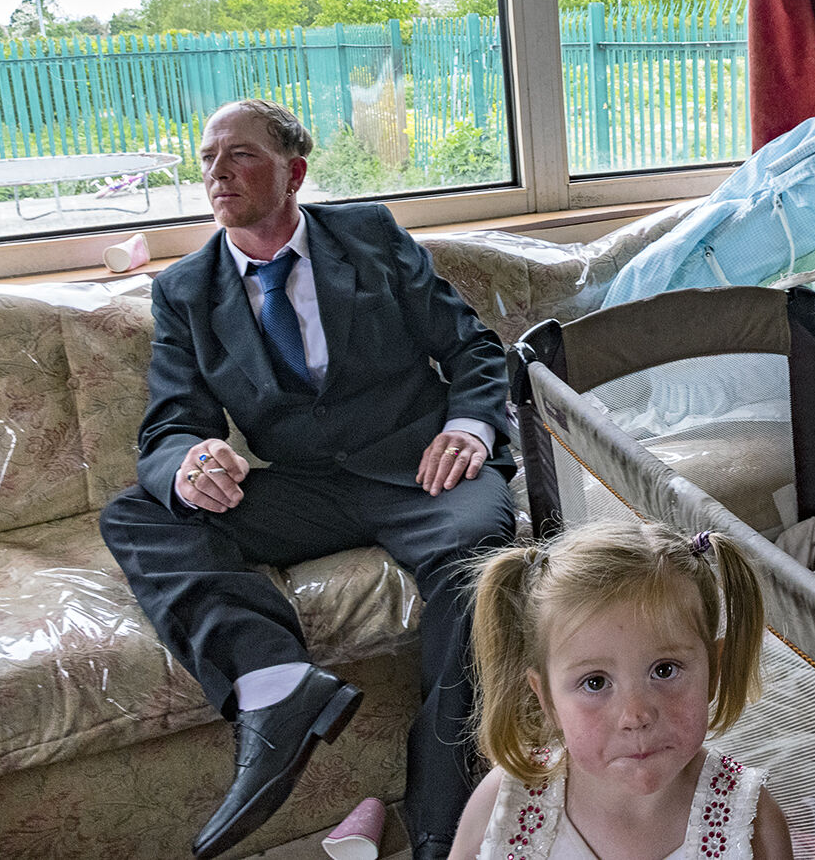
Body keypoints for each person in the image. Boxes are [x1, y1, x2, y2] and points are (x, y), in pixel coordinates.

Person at [99, 99, 516, 860]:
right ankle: (272, 684)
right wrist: (192, 461)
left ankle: (439, 821)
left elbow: (472, 348)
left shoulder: (371, 236)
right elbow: (170, 424)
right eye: (207, 158)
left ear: (294, 171)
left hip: (419, 467)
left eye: (241, 155)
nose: (217, 173)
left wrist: (470, 427)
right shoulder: (186, 289)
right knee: (138, 514)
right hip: (304, 487)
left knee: (478, 554)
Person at [450, 518, 795, 860]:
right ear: (547, 699)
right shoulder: (503, 803)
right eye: (595, 682)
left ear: (714, 671)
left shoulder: (754, 826)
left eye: (664, 670)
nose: (636, 715)